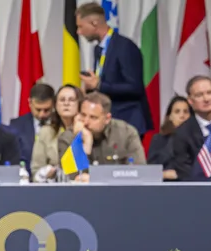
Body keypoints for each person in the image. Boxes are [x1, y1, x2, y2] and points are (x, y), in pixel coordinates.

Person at [76, 3, 151, 134]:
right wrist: (91, 88)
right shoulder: (98, 49)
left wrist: (99, 85)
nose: (79, 32)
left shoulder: (125, 46)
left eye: (81, 26)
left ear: (94, 23)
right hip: (107, 122)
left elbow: (135, 87)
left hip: (127, 122)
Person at [38, 92, 145, 182]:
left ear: (107, 119)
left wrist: (96, 179)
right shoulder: (68, 138)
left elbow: (139, 173)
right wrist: (84, 144)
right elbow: (71, 178)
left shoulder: (126, 133)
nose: (86, 122)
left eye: (93, 117)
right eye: (83, 115)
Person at [168, 75, 211, 179]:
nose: (206, 99)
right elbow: (185, 172)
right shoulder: (182, 133)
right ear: (190, 101)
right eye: (199, 95)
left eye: (209, 93)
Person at [29, 85, 82, 177]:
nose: (66, 103)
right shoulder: (46, 132)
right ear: (55, 105)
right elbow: (36, 171)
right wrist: (46, 172)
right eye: (62, 100)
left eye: (71, 100)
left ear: (80, 104)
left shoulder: (88, 130)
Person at [9, 82, 56, 169]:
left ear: (53, 104)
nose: (42, 114)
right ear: (30, 103)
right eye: (38, 110)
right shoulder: (16, 125)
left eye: (46, 110)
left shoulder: (61, 124)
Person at [148, 96, 190, 179]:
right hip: (164, 183)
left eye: (186, 112)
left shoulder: (197, 139)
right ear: (170, 116)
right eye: (177, 112)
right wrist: (164, 174)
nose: (182, 116)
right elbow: (150, 171)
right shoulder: (158, 140)